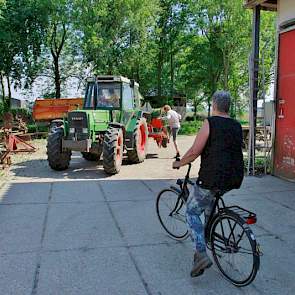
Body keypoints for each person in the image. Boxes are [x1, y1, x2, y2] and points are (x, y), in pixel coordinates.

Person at [172, 91, 244, 278]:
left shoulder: (210, 123)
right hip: (233, 179)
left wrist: (180, 162)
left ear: (214, 105)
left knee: (191, 211)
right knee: (208, 203)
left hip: (212, 178)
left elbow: (196, 150)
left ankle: (201, 254)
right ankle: (209, 231)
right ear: (227, 106)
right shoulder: (236, 125)